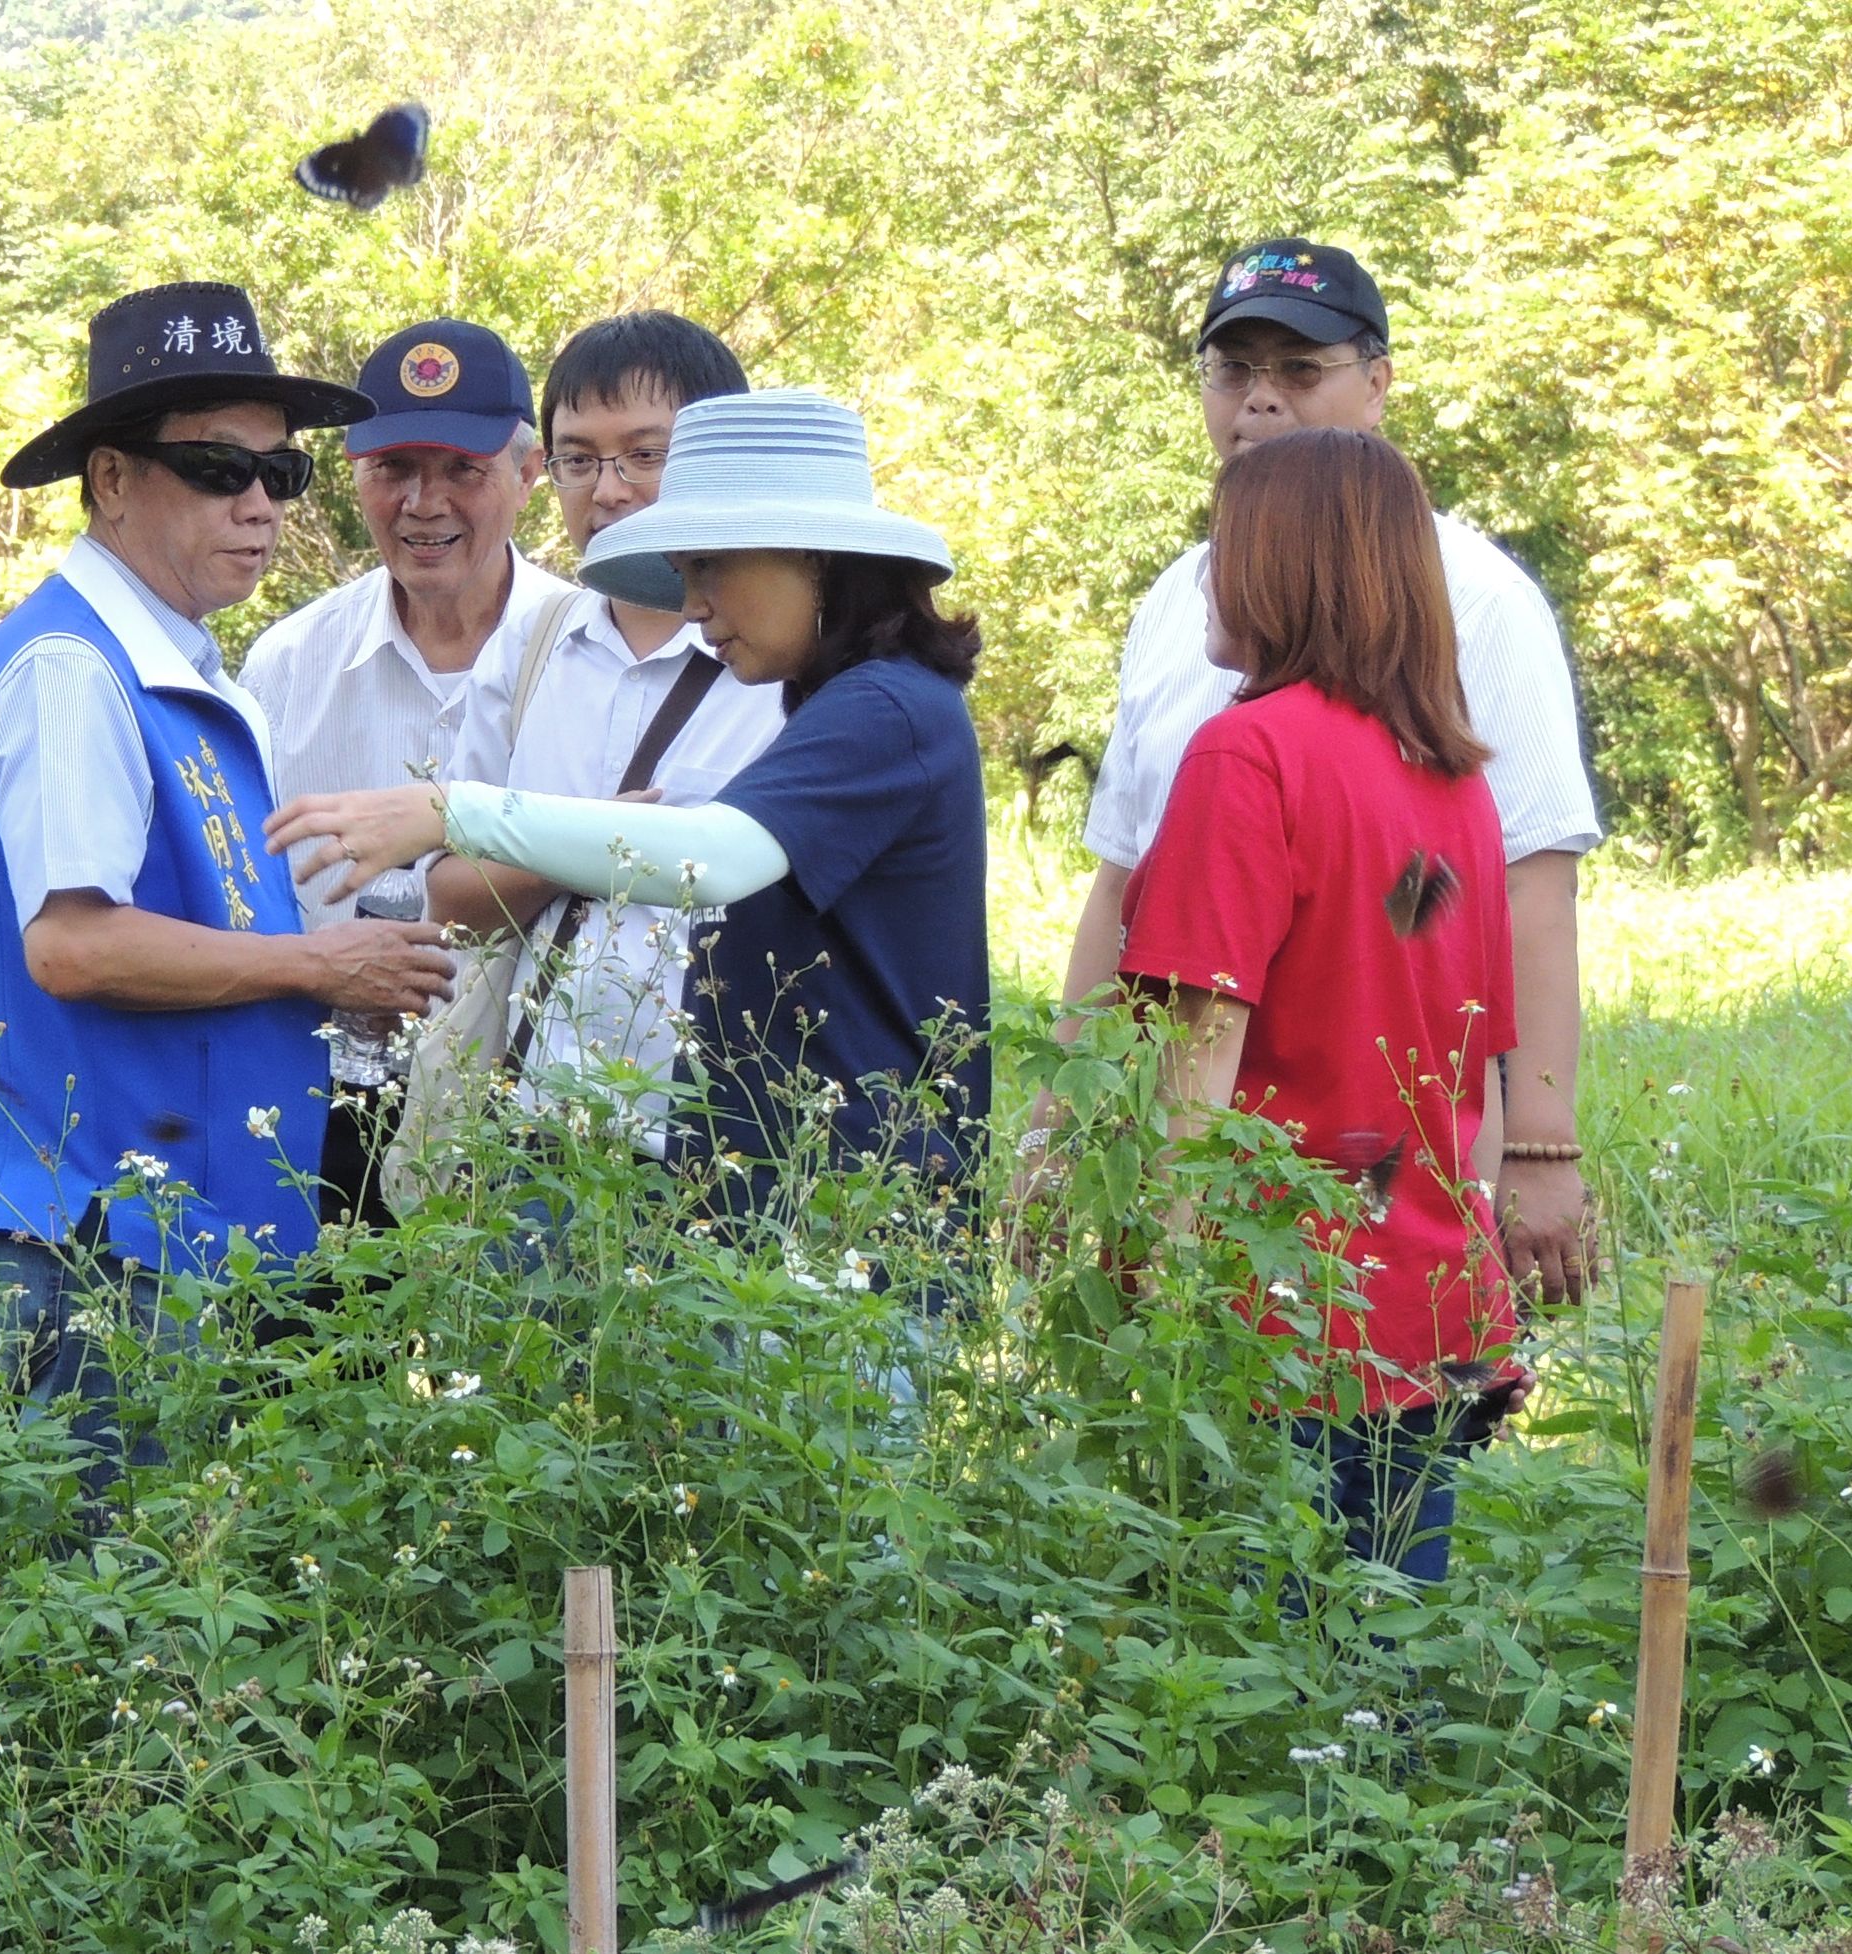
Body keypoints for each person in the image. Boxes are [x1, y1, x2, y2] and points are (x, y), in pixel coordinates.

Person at [0, 281, 451, 1480]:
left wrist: (317, 987)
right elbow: (75, 947)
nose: (259, 503)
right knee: (109, 1602)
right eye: (219, 468)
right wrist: (320, 964)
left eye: (283, 474)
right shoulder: (75, 670)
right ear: (110, 479)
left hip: (173, 1226)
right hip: (95, 1229)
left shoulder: (177, 664)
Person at [1040, 238, 1601, 1305]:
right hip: (1205, 1163)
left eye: (1297, 372)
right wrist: (1057, 1134)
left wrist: (1538, 1148)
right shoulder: (1178, 599)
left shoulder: (1474, 598)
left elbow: (1524, 883)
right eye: (1231, 371)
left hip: (1345, 1172)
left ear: (1377, 383)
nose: (1257, 405)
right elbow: (1120, 877)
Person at [267, 389, 987, 1210]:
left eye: (710, 565)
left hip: (853, 1212)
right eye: (683, 575)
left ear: (813, 556)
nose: (693, 605)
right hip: (765, 1188)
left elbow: (714, 858)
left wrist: (448, 811)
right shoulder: (834, 701)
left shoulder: (888, 708)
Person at [1117, 426, 1523, 1585]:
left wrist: (1171, 1281)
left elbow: (1199, 1057)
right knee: (1384, 1658)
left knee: (1259, 1661)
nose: (1207, 570)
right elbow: (1475, 1071)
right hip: (1429, 1304)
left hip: (1277, 1307)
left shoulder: (1246, 754)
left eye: (1225, 541)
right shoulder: (1453, 782)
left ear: (1283, 566)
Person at [423, 312, 779, 1158]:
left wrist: (553, 841)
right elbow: (450, 898)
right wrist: (587, 836)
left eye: (647, 456)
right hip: (532, 1134)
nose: (608, 490)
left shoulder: (788, 668)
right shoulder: (534, 642)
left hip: (727, 1150)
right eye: (579, 459)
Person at [239, 318, 569, 1225]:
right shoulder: (287, 664)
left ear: (528, 471)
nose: (425, 504)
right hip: (315, 1106)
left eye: (463, 469)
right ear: (353, 473)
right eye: (394, 470)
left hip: (528, 1117)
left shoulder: (585, 655)